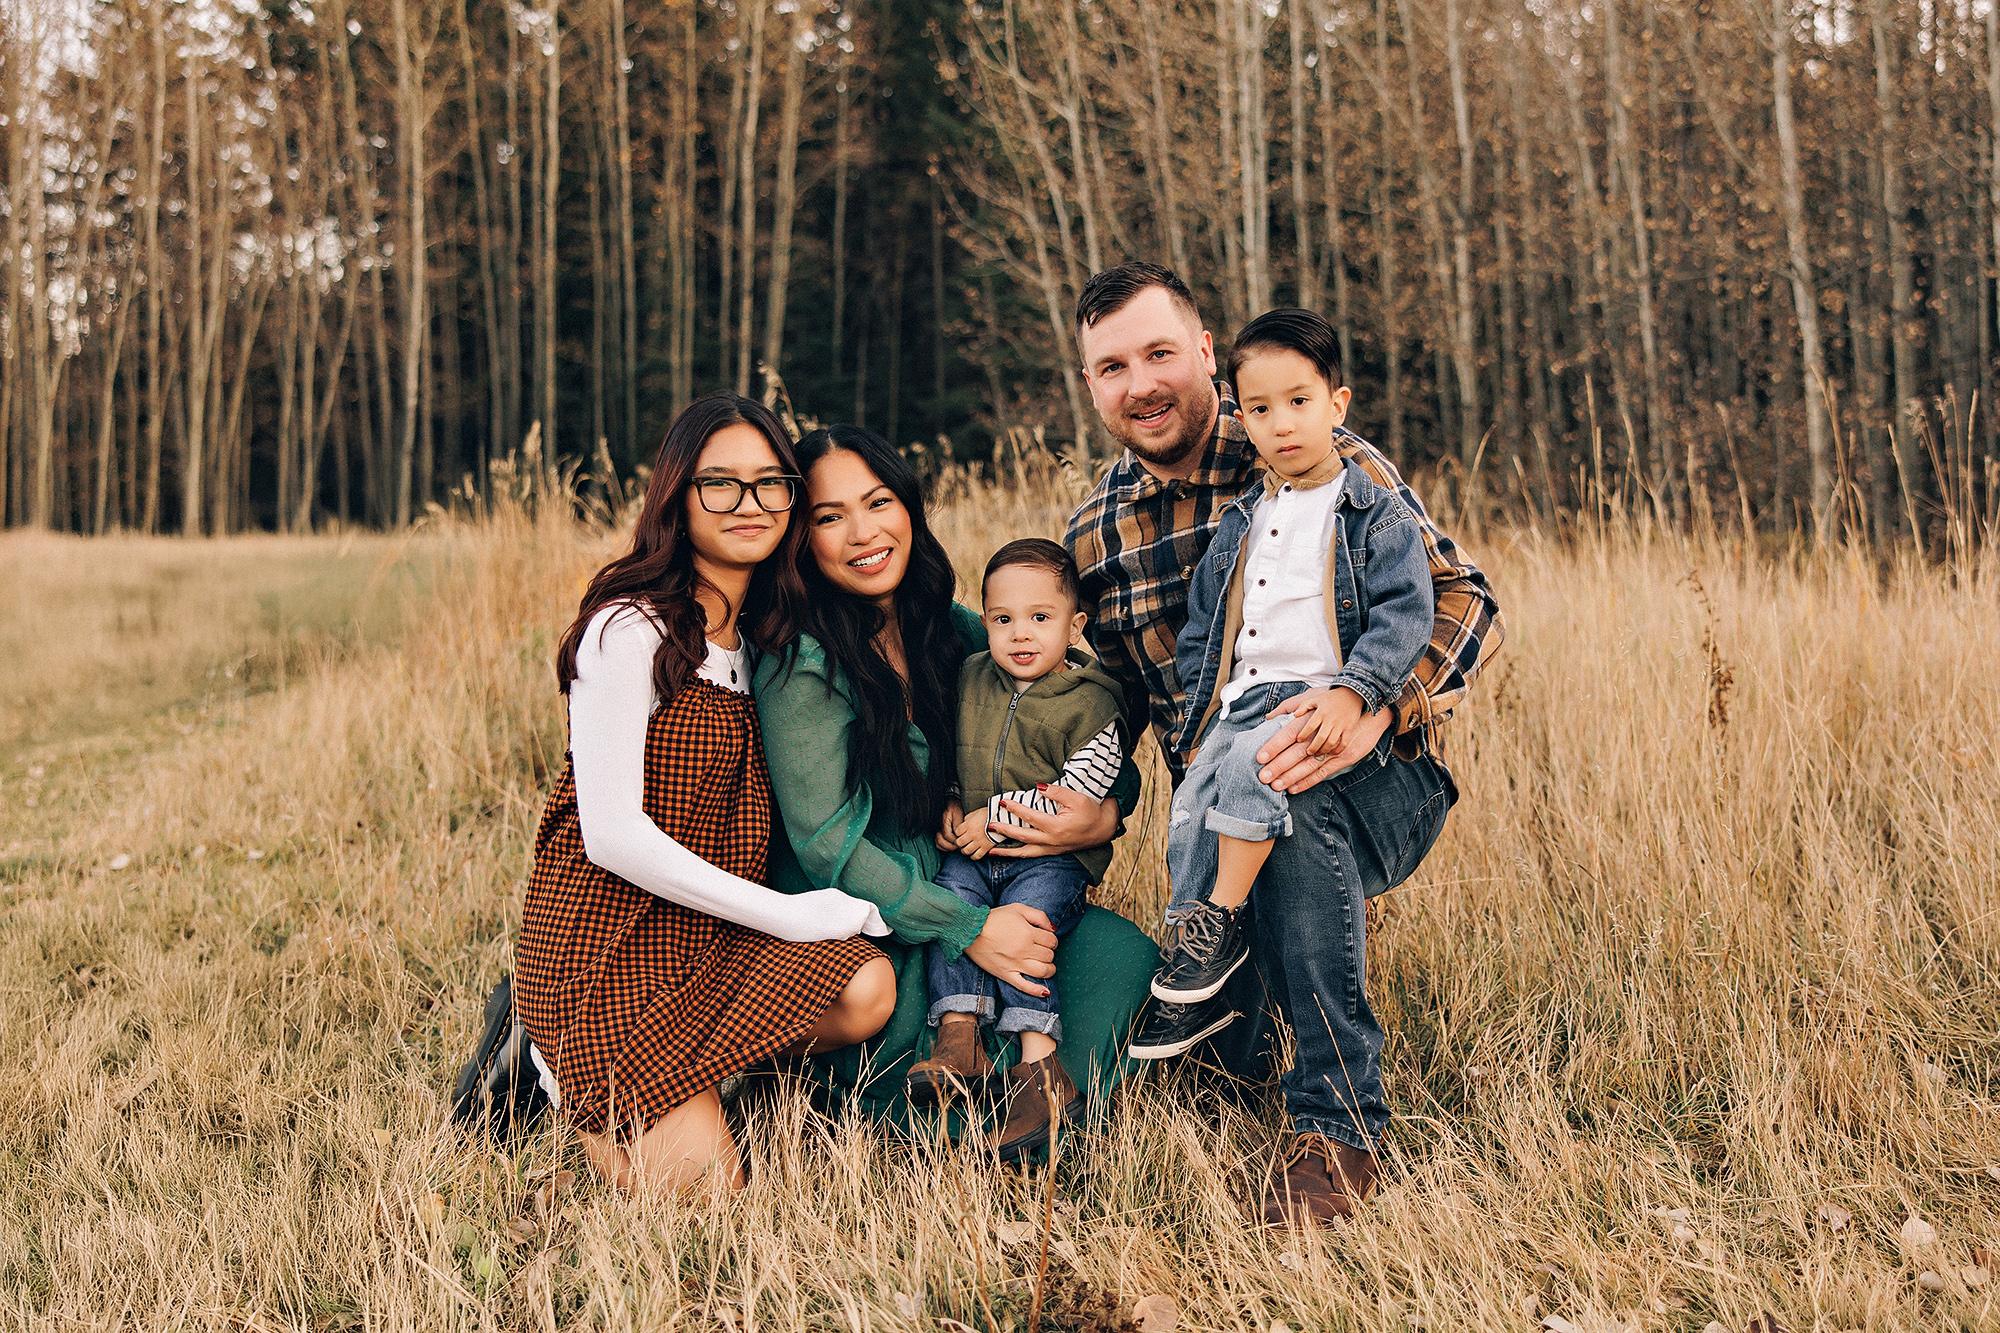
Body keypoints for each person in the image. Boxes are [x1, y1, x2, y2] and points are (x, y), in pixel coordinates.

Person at [1049, 262, 1503, 1225]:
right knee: (1213, 1055)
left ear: (1206, 352)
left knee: (1294, 781)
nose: (1142, 383)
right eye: (1113, 367)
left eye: (1161, 352)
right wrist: (1088, 794)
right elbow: (1122, 702)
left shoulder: (1325, 459)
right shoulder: (1095, 532)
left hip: (1373, 773)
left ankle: (1338, 1124)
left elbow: (1466, 601)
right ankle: (1219, 987)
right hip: (1220, 802)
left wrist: (1374, 706)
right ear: (1090, 384)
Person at [495, 393, 898, 1195]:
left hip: (703, 939)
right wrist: (793, 913)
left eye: (770, 484)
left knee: (866, 988)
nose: (749, 505)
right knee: (711, 1201)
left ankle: (695, 1080)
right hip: (601, 952)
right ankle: (547, 1058)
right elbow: (611, 834)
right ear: (678, 495)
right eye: (721, 484)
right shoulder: (628, 627)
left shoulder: (765, 640)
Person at [751, 426, 1157, 1161]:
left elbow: (1079, 712)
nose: (864, 531)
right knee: (945, 1026)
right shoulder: (800, 664)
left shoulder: (948, 626)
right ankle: (932, 1117)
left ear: (909, 506)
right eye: (829, 515)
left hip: (976, 882)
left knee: (1121, 958)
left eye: (878, 502)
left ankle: (1029, 1093)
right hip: (874, 926)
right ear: (801, 538)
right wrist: (969, 927)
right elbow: (827, 847)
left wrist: (1099, 811)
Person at [1131, 307, 1434, 1055]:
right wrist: (1195, 732)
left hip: (1314, 699)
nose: (1282, 423)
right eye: (1261, 409)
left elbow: (1409, 610)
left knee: (1251, 768)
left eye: (1300, 402)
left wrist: (1359, 690)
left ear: (1338, 403)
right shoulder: (1242, 521)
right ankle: (1194, 937)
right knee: (1194, 802)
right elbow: (1206, 632)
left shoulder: (1371, 510)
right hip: (1238, 704)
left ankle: (1221, 921)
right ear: (1242, 415)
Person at [903, 539, 1126, 1158]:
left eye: (1040, 618)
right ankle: (958, 1038)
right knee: (953, 907)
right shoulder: (974, 675)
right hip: (971, 852)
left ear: (1074, 625)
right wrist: (949, 803)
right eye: (1002, 619)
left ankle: (1039, 1068)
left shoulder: (1093, 702)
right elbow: (952, 745)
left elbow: (1078, 789)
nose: (1019, 634)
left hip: (1047, 858)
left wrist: (991, 822)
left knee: (1027, 926)